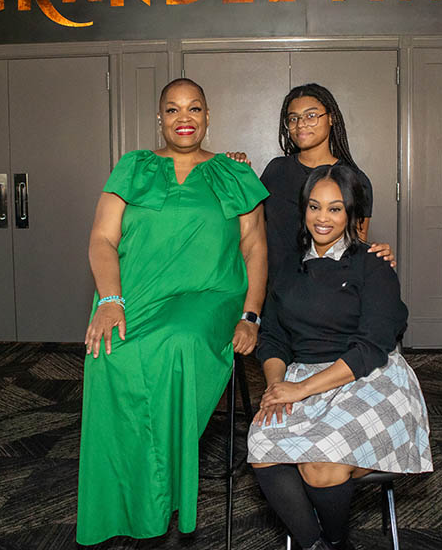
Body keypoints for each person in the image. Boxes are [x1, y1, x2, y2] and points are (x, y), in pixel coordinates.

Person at [76, 78, 269, 545]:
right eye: (172, 110)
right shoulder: (133, 167)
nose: (184, 118)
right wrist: (109, 301)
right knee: (107, 353)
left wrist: (250, 314)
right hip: (134, 293)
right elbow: (102, 239)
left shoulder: (234, 174)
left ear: (208, 117)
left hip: (210, 293)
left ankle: (162, 491)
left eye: (194, 108)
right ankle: (127, 497)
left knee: (177, 342)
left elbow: (256, 250)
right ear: (159, 119)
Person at [247, 165, 432, 550]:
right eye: (314, 207)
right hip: (301, 378)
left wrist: (299, 390)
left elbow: (371, 347)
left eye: (335, 209)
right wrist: (277, 384)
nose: (322, 218)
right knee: (262, 444)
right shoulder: (288, 269)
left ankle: (334, 540)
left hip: (369, 377)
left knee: (322, 466)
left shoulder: (374, 264)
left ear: (350, 213)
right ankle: (321, 546)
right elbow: (275, 339)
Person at [228, 83, 390, 281]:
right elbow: (252, 228)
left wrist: (378, 257)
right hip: (273, 290)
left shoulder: (354, 179)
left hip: (325, 293)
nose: (301, 124)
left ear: (331, 118)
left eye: (311, 115)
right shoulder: (276, 170)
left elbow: (356, 247)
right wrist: (236, 172)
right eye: (293, 118)